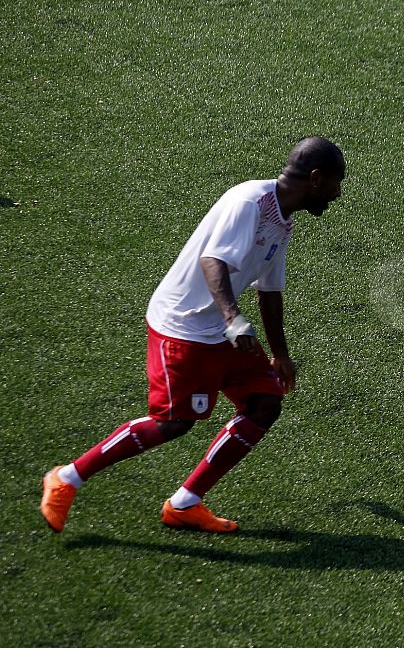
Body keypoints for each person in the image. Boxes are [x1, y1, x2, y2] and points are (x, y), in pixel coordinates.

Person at [40, 136, 346, 533]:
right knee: (173, 422)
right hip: (183, 325)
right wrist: (233, 318)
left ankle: (185, 503)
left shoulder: (283, 217)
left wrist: (280, 354)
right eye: (337, 183)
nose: (338, 194)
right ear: (317, 178)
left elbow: (270, 291)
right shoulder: (249, 202)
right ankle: (67, 478)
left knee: (265, 402)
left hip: (221, 328)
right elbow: (213, 261)